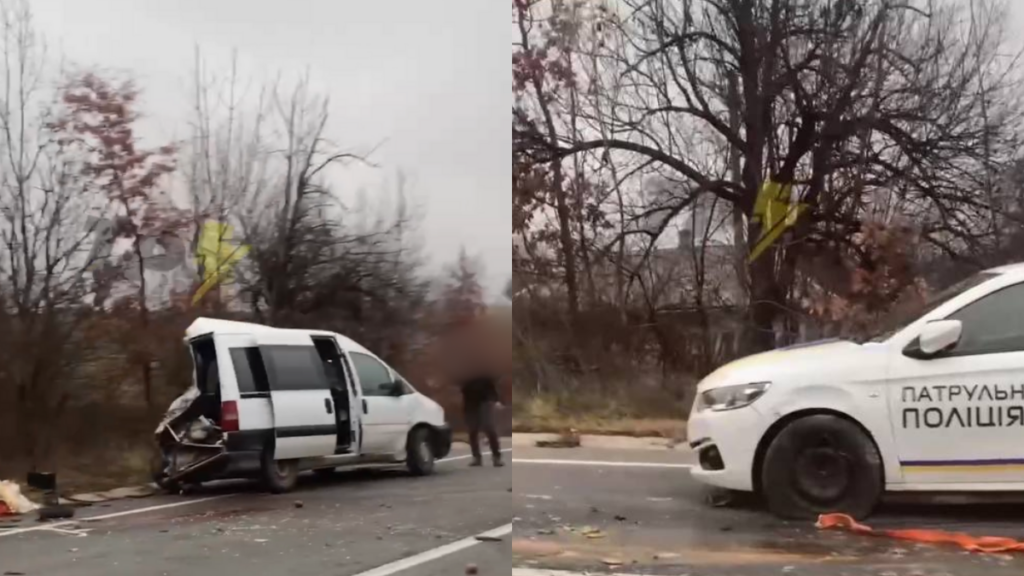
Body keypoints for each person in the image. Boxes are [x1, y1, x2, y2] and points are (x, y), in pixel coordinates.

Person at [461, 373, 503, 467]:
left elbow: (492, 381)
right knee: (472, 430)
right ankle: (476, 457)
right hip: (470, 402)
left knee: (489, 427)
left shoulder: (483, 366)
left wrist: (496, 399)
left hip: (486, 400)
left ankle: (496, 456)